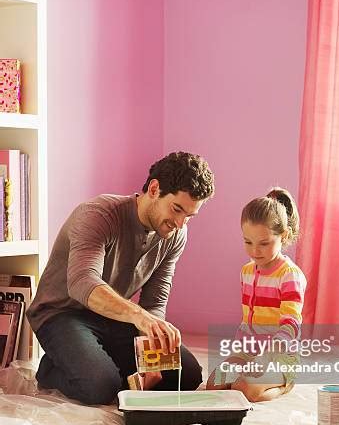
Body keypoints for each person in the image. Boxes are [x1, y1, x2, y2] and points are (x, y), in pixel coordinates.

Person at [27, 151, 215, 405]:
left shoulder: (175, 236)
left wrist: (150, 348)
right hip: (62, 314)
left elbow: (154, 303)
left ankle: (97, 361)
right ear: (154, 188)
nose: (180, 224)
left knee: (188, 376)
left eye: (189, 216)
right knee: (101, 388)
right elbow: (83, 283)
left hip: (113, 317)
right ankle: (50, 370)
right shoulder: (99, 214)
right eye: (176, 209)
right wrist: (139, 317)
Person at [207, 188, 306, 401]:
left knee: (245, 390)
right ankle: (251, 374)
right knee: (213, 384)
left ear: (284, 236)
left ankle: (285, 383)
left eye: (264, 243)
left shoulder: (290, 275)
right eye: (248, 242)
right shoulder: (246, 272)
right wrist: (239, 357)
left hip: (279, 356)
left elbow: (291, 324)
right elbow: (247, 321)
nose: (254, 251)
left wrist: (265, 358)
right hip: (248, 351)